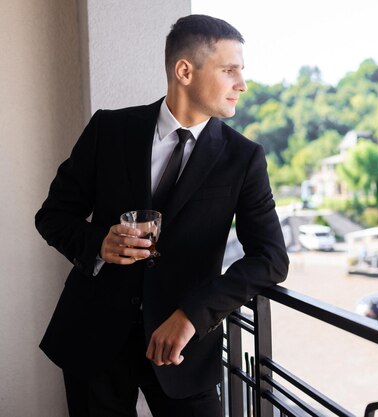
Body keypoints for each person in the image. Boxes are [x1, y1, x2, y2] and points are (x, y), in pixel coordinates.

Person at [35, 14, 288, 417]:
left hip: (184, 350)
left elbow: (271, 259)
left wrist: (193, 315)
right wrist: (99, 244)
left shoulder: (244, 158)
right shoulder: (109, 129)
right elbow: (52, 214)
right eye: (229, 71)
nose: (242, 84)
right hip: (93, 337)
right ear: (184, 70)